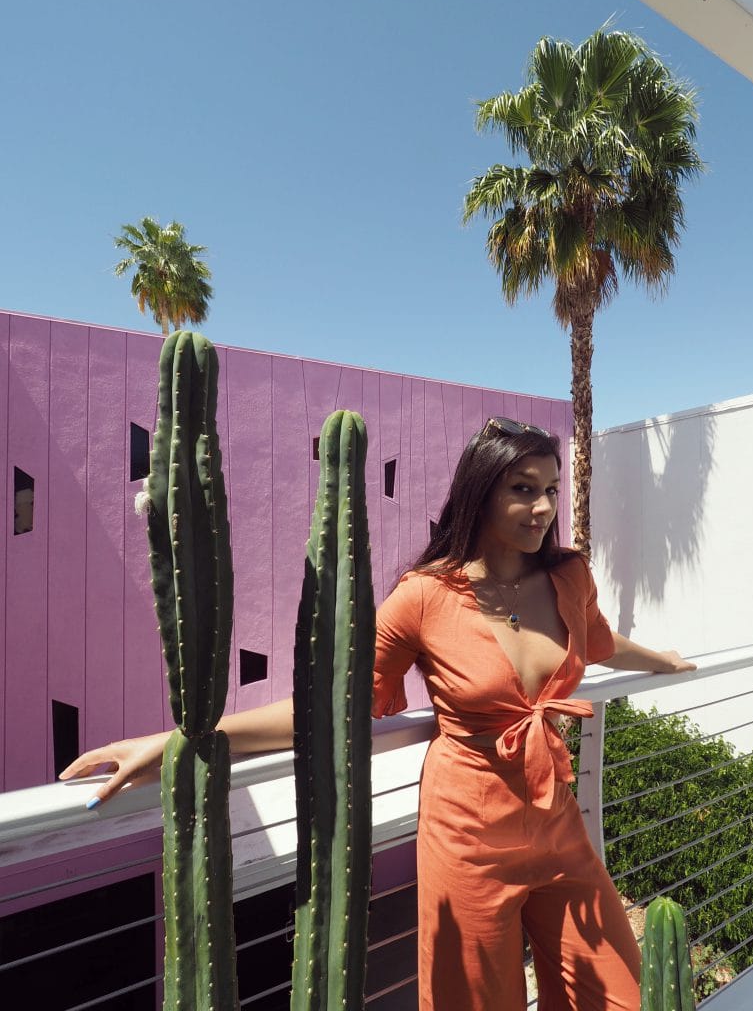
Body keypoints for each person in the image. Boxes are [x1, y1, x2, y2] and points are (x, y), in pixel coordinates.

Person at [62, 415, 695, 1011]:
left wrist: (661, 660)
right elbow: (334, 704)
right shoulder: (425, 596)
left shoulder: (569, 576)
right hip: (469, 832)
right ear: (480, 493)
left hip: (557, 822)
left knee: (619, 991)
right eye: (522, 489)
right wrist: (186, 739)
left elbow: (601, 640)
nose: (543, 508)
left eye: (551, 489)